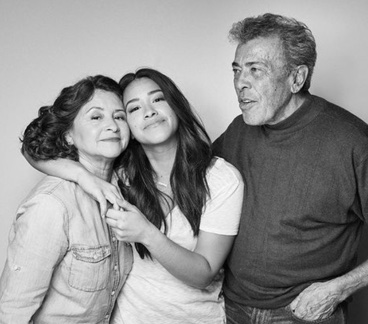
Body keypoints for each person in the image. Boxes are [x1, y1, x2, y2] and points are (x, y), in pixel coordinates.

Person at [23, 68, 244, 324]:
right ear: (125, 124)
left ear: (176, 105)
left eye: (158, 99)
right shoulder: (120, 175)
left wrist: (146, 233)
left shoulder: (220, 178)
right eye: (134, 108)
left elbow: (203, 273)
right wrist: (83, 176)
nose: (149, 111)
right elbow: (33, 149)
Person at [212, 13, 368, 324]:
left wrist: (337, 290)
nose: (241, 82)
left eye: (256, 70)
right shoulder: (238, 131)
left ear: (296, 78)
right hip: (232, 308)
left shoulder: (353, 141)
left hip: (305, 315)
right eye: (237, 70)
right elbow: (184, 174)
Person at [0, 75, 133, 323]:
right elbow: (13, 311)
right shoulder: (52, 204)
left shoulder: (127, 191)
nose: (113, 126)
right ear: (69, 135)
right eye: (96, 116)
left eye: (120, 116)